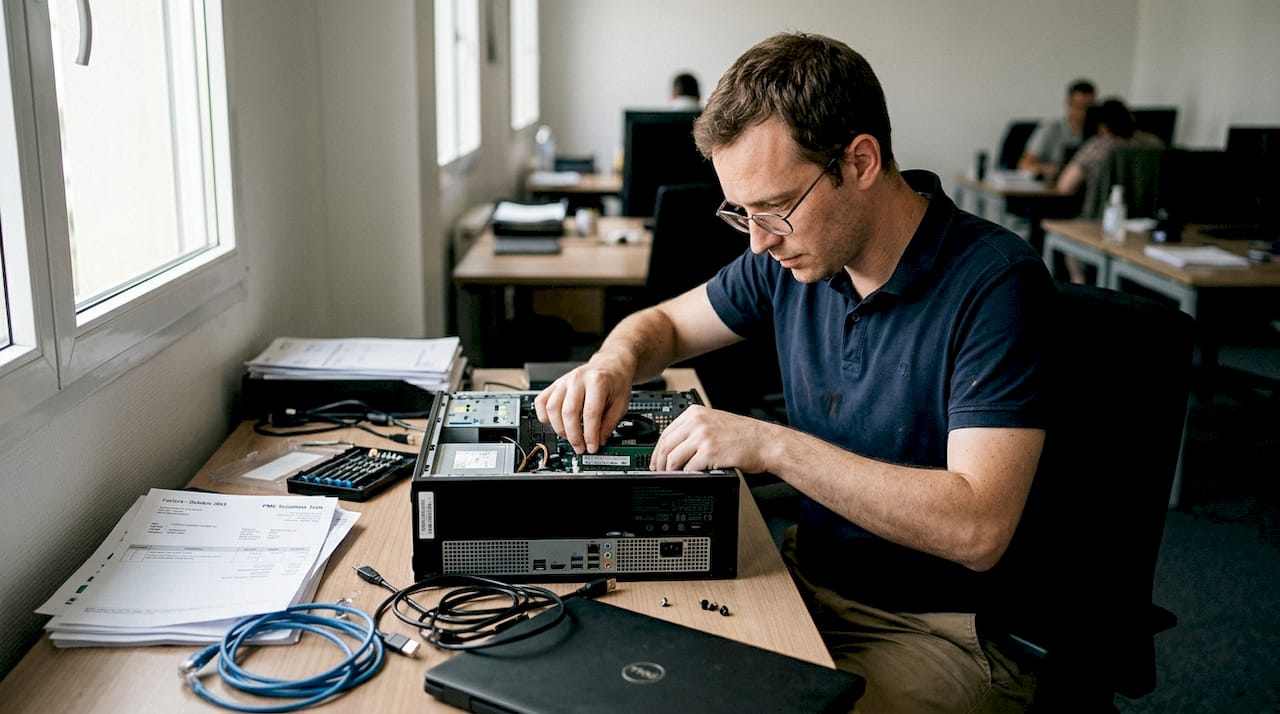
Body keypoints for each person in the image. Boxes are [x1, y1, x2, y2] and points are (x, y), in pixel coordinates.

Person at [536, 32, 1054, 712]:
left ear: (860, 161)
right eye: (740, 213)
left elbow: (978, 529)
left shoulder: (995, 286)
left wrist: (771, 445)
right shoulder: (793, 256)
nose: (758, 240)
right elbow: (660, 326)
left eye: (775, 206)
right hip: (802, 580)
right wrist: (612, 362)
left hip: (945, 634)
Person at [1056, 98, 1165, 282]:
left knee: (1069, 246)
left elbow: (1064, 186)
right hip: (1148, 228)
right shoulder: (1156, 145)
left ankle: (1080, 290)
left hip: (1100, 225)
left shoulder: (1098, 146)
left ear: (1102, 126)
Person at [1018, 79, 1096, 181]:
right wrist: (1053, 170)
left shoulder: (1099, 133)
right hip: (1053, 188)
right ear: (1069, 104)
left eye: (1089, 108)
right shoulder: (1051, 128)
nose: (1085, 113)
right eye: (1080, 106)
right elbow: (1025, 164)